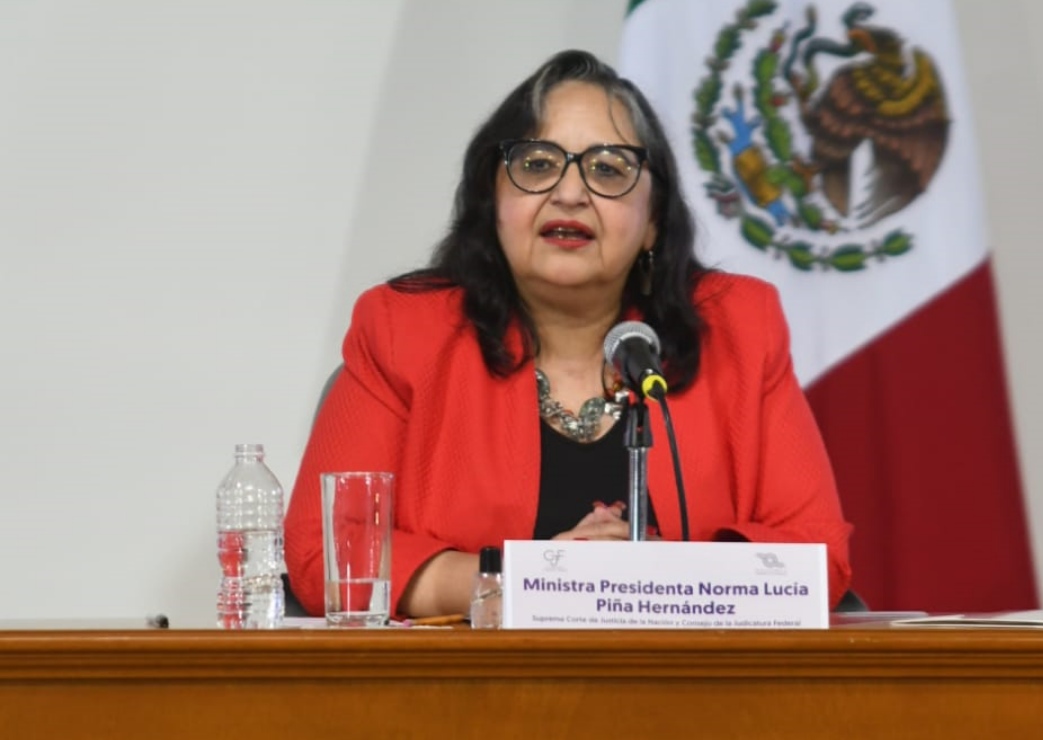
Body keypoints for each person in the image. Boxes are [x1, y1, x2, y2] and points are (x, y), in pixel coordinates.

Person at [283, 49, 853, 619]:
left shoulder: (739, 328)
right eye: (536, 164)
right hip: (462, 698)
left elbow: (819, 555)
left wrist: (661, 580)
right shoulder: (403, 330)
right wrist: (538, 581)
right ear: (493, 200)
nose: (570, 193)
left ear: (653, 217)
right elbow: (325, 554)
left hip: (690, 697)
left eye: (608, 168)